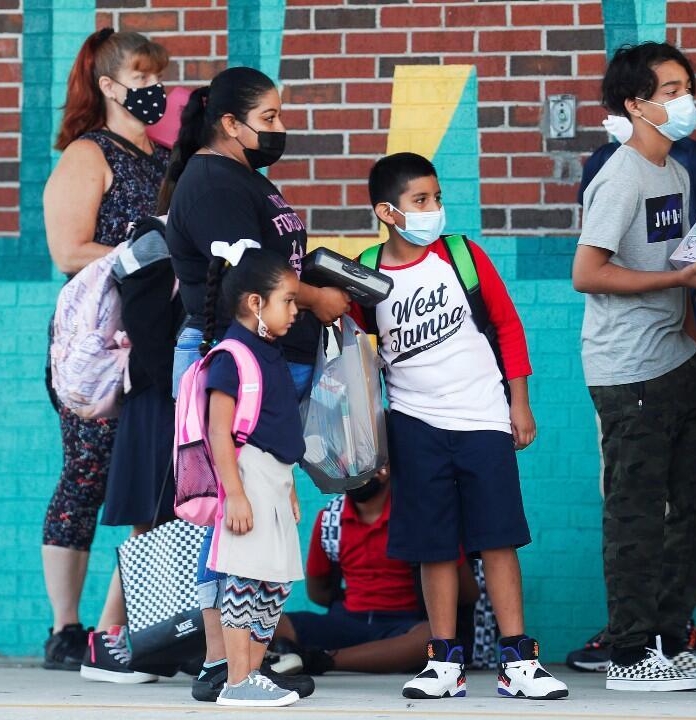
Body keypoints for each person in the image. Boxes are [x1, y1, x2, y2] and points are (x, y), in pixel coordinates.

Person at [158, 65, 346, 701]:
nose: (279, 128)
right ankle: (223, 664)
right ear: (229, 123)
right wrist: (316, 298)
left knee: (258, 513)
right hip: (240, 362)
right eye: (268, 118)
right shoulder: (211, 183)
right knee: (232, 516)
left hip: (271, 360)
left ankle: (245, 662)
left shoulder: (242, 177)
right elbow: (249, 276)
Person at [357, 152, 567, 701]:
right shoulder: (368, 273)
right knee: (434, 547)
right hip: (413, 426)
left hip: (484, 418)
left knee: (498, 539)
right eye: (420, 200)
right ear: (387, 212)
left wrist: (520, 403)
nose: (434, 208)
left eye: (437, 197)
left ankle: (518, 661)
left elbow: (508, 324)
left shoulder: (462, 256)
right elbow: (351, 355)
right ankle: (444, 663)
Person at [571, 42, 696, 692]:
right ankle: (629, 652)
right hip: (628, 373)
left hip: (680, 361)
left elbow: (674, 265)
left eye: (686, 88)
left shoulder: (676, 174)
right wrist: (675, 281)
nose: (683, 101)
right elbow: (588, 273)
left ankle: (670, 641)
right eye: (670, 91)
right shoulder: (621, 177)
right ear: (635, 104)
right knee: (636, 515)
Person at [39, 27, 172, 672]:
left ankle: (116, 629)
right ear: (110, 86)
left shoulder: (167, 157)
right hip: (97, 343)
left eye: (158, 77)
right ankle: (65, 628)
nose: (154, 89)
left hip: (154, 337)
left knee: (150, 479)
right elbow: (68, 251)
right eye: (142, 78)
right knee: (86, 474)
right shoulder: (87, 155)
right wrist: (143, 254)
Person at [79, 218, 186, 684]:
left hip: (169, 398)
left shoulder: (177, 240)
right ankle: (105, 640)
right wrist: (180, 390)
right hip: (160, 400)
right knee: (151, 521)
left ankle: (150, 640)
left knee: (170, 521)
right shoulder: (155, 242)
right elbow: (148, 329)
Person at [201, 247, 307, 708]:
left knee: (275, 581)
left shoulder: (268, 352)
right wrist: (236, 494)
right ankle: (237, 679)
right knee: (245, 578)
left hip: (275, 479)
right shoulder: (232, 355)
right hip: (248, 476)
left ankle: (254, 674)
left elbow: (279, 428)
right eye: (288, 300)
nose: (296, 310)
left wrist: (291, 486)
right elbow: (218, 432)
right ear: (255, 303)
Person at [266, 474, 481, 676]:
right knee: (270, 621)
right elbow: (318, 592)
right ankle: (314, 657)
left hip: (405, 624)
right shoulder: (330, 519)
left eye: (363, 462)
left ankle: (322, 660)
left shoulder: (418, 517)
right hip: (347, 622)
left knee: (434, 637)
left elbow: (468, 593)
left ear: (385, 469)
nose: (353, 470)